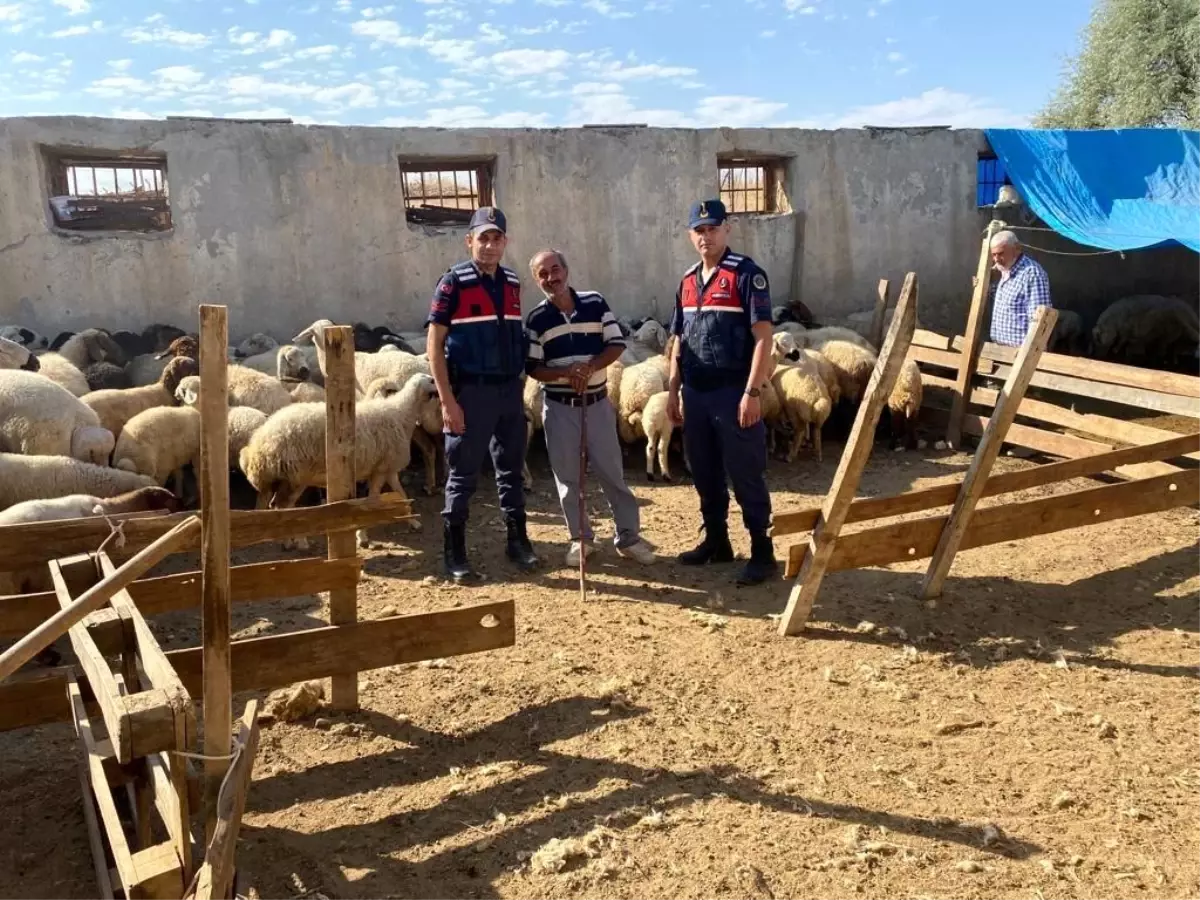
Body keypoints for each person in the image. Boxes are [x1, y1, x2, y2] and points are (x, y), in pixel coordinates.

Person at [666, 199, 778, 585]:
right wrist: (673, 389)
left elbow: (764, 338)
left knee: (746, 472)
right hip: (696, 393)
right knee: (704, 471)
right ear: (690, 235)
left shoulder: (746, 275)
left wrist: (753, 392)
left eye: (713, 228)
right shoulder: (687, 281)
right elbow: (679, 340)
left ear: (727, 228)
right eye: (699, 230)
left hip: (733, 392)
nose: (706, 236)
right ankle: (717, 541)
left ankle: (763, 551)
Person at [524, 249, 657, 567]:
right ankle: (581, 539)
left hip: (597, 404)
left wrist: (590, 367)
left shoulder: (594, 302)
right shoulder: (536, 319)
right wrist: (566, 372)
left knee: (612, 473)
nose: (551, 278)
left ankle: (628, 538)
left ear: (566, 271)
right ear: (536, 280)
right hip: (559, 407)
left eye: (555, 270)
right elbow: (533, 367)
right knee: (568, 478)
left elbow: (616, 344)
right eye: (543, 274)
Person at [426, 205, 539, 582]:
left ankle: (517, 541)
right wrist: (447, 401)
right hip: (470, 393)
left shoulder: (511, 281)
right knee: (463, 473)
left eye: (496, 238)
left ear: (505, 242)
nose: (490, 245)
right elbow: (434, 345)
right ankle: (454, 551)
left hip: (508, 390)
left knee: (511, 468)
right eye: (483, 238)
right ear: (469, 240)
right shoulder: (453, 283)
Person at [987, 229, 1052, 347]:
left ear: (1017, 249)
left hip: (1020, 352)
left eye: (1000, 254)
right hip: (1000, 350)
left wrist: (1029, 353)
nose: (996, 259)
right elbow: (1008, 302)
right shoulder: (1006, 270)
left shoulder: (1032, 274)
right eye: (994, 255)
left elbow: (1039, 322)